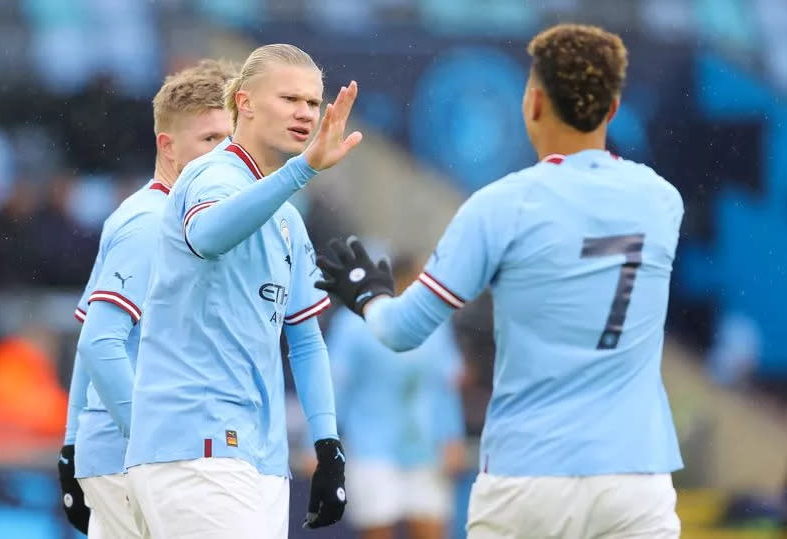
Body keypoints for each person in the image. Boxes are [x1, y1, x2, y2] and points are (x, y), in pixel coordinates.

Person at [317, 24, 684, 539]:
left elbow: (403, 330)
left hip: (529, 473)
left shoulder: (501, 207)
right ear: (613, 108)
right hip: (635, 474)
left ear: (532, 103)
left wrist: (371, 297)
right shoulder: (663, 200)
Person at [124, 44, 362, 538]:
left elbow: (305, 338)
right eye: (289, 98)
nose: (305, 113)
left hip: (260, 454)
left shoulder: (288, 217)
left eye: (313, 104)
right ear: (245, 103)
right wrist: (304, 170)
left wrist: (328, 448)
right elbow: (209, 236)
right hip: (196, 444)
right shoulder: (210, 173)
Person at [58, 59, 234, 537]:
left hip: (134, 455)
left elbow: (89, 341)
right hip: (141, 460)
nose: (224, 155)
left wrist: (72, 444)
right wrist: (154, 442)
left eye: (230, 141)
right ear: (167, 145)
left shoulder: (176, 218)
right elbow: (99, 345)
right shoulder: (154, 223)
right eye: (210, 140)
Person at [326, 253, 466, 539]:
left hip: (425, 450)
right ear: (401, 281)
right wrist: (320, 440)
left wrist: (452, 437)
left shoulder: (437, 324)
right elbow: (336, 385)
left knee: (431, 529)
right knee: (378, 532)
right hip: (370, 448)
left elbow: (444, 385)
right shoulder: (352, 324)